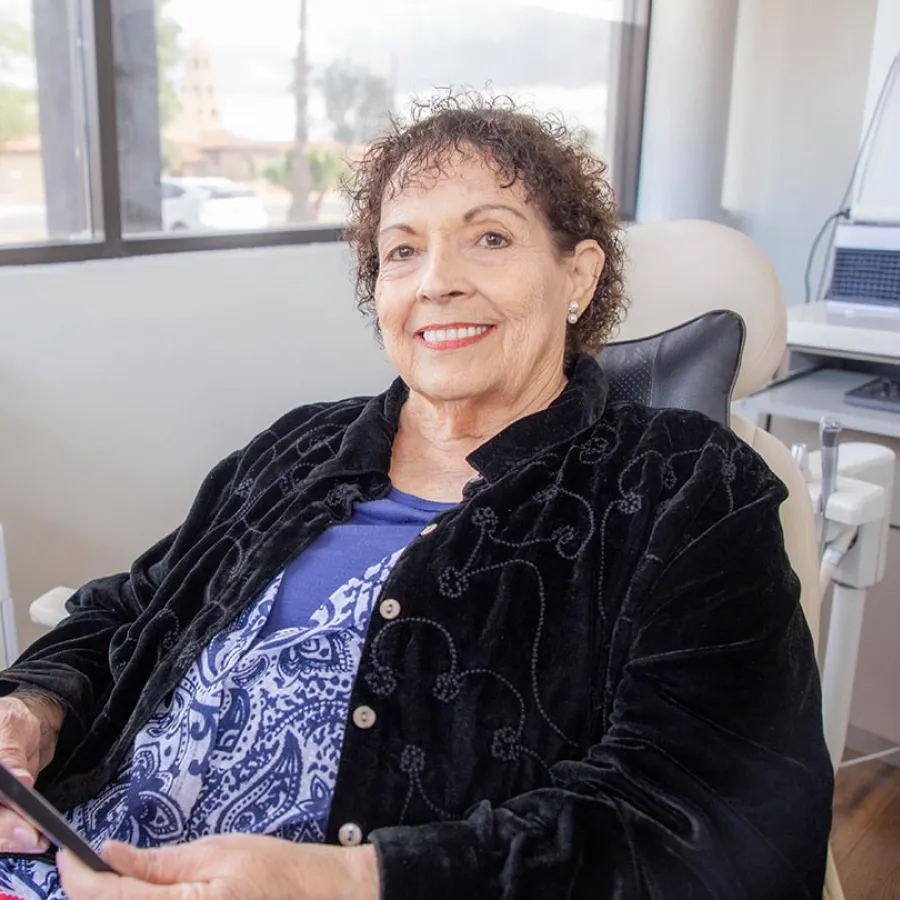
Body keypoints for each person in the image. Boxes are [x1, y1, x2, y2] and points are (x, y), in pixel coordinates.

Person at [0, 95, 832, 900]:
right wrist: (32, 708)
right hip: (62, 858)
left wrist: (343, 884)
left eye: (489, 238)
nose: (437, 281)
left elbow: (714, 819)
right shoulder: (298, 448)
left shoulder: (681, 485)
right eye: (402, 251)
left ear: (577, 274)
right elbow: (132, 608)